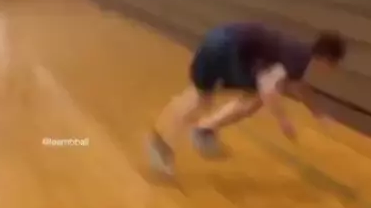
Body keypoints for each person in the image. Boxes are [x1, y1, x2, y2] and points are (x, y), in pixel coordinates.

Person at [148, 23, 346, 174]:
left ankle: (166, 140)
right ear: (327, 59)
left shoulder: (298, 52)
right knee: (255, 98)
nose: (330, 70)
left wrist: (318, 113)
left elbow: (298, 87)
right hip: (227, 49)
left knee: (201, 98)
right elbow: (269, 89)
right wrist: (284, 121)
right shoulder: (297, 59)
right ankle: (201, 131)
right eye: (333, 65)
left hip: (216, 39)